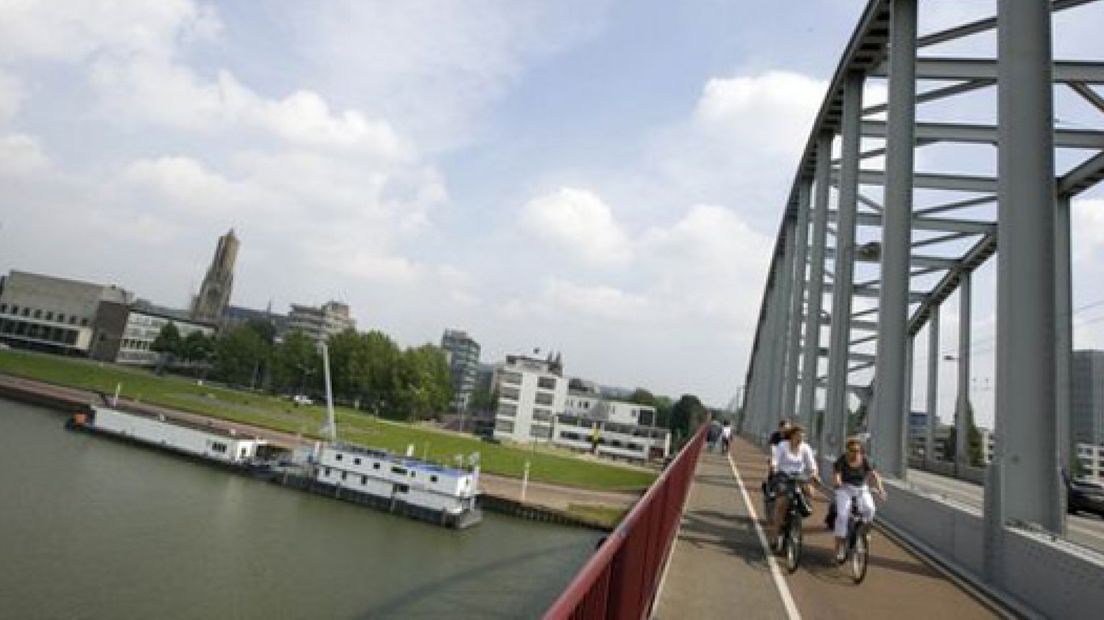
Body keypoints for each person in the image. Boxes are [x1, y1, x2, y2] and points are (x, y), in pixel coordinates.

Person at [832, 436, 886, 563]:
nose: (855, 453)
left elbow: (874, 475)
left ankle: (865, 530)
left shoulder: (865, 460)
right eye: (852, 450)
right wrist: (838, 482)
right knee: (842, 516)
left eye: (858, 450)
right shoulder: (842, 460)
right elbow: (837, 475)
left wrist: (880, 489)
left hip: (861, 488)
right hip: (845, 488)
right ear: (847, 450)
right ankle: (839, 547)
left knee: (870, 509)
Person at [768, 425, 818, 549]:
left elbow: (812, 464)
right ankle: (774, 536)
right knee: (782, 504)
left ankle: (798, 515)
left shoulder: (805, 448)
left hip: (799, 476)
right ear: (792, 436)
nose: (801, 439)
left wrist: (814, 473)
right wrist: (774, 467)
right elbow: (776, 460)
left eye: (803, 437)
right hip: (784, 475)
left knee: (811, 492)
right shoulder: (783, 446)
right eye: (798, 436)